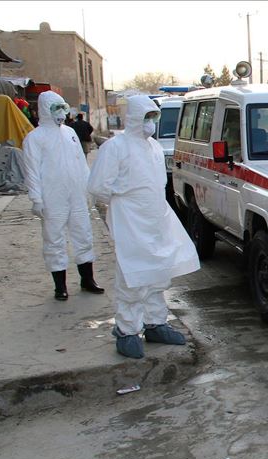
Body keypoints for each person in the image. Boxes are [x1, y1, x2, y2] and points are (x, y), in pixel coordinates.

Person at [87, 95, 200, 360]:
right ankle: (127, 330)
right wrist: (124, 198)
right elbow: (97, 186)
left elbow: (159, 183)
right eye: (148, 117)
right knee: (133, 273)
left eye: (155, 117)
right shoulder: (115, 147)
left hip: (155, 216)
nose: (152, 122)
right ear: (136, 117)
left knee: (159, 273)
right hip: (130, 218)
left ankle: (156, 322)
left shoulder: (154, 148)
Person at [21, 91, 104, 301]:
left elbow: (80, 163)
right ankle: (60, 286)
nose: (60, 112)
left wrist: (89, 189)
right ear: (44, 109)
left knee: (83, 234)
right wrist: (36, 199)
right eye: (55, 108)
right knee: (54, 239)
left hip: (76, 194)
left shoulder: (70, 134)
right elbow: (31, 171)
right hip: (52, 197)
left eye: (62, 107)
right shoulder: (34, 138)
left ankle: (87, 279)